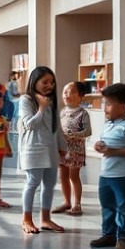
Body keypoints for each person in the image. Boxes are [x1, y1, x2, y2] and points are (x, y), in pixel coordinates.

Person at [89, 83, 125, 249]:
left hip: (122, 175)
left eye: (107, 104)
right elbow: (105, 143)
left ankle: (124, 237)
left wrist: (115, 151)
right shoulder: (108, 124)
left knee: (123, 206)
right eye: (103, 103)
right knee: (107, 204)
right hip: (106, 174)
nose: (104, 108)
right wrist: (99, 145)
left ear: (123, 106)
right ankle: (108, 234)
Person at [18, 66, 67, 234]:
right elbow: (30, 124)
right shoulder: (26, 100)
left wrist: (62, 147)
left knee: (49, 184)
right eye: (45, 82)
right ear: (34, 81)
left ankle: (45, 219)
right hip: (33, 149)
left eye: (52, 82)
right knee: (32, 183)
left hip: (50, 149)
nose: (49, 86)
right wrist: (42, 108)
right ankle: (26, 219)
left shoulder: (51, 101)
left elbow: (57, 127)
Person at [52, 81, 92, 216]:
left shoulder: (83, 113)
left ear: (80, 96)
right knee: (62, 176)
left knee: (73, 176)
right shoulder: (63, 111)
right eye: (64, 92)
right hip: (63, 149)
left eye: (70, 92)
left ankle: (77, 204)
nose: (66, 94)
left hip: (76, 150)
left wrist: (75, 135)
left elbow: (88, 131)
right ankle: (66, 202)